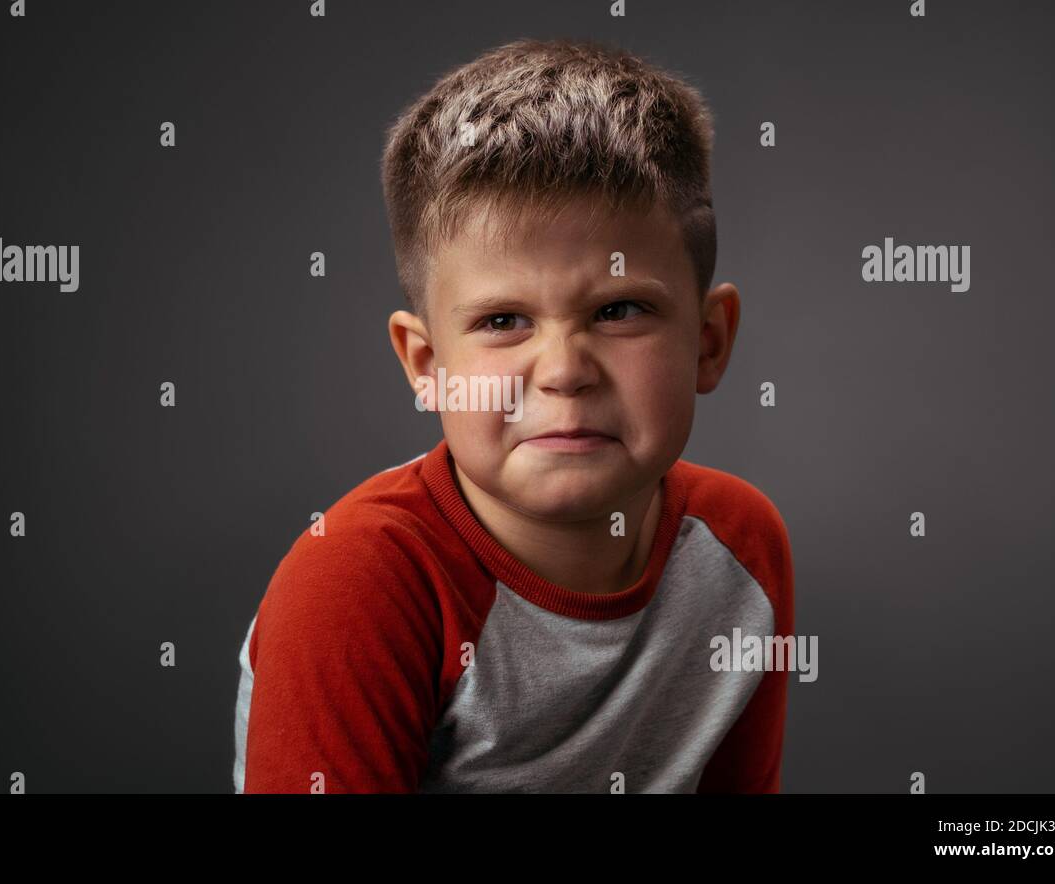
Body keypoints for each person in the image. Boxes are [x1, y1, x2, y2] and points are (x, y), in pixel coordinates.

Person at [234, 37, 794, 793]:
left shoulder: (740, 550)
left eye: (620, 309)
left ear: (709, 342)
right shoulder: (356, 583)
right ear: (427, 367)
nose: (564, 372)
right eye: (503, 321)